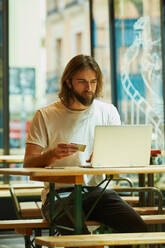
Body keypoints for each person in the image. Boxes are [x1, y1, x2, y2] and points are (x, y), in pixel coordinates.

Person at [24, 54, 147, 243]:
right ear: (69, 82)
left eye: (93, 81)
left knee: (138, 228)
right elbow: (29, 165)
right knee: (80, 238)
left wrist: (106, 158)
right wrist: (50, 156)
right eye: (82, 81)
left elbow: (119, 158)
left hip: (98, 192)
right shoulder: (45, 115)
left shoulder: (108, 112)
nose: (89, 88)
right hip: (59, 195)